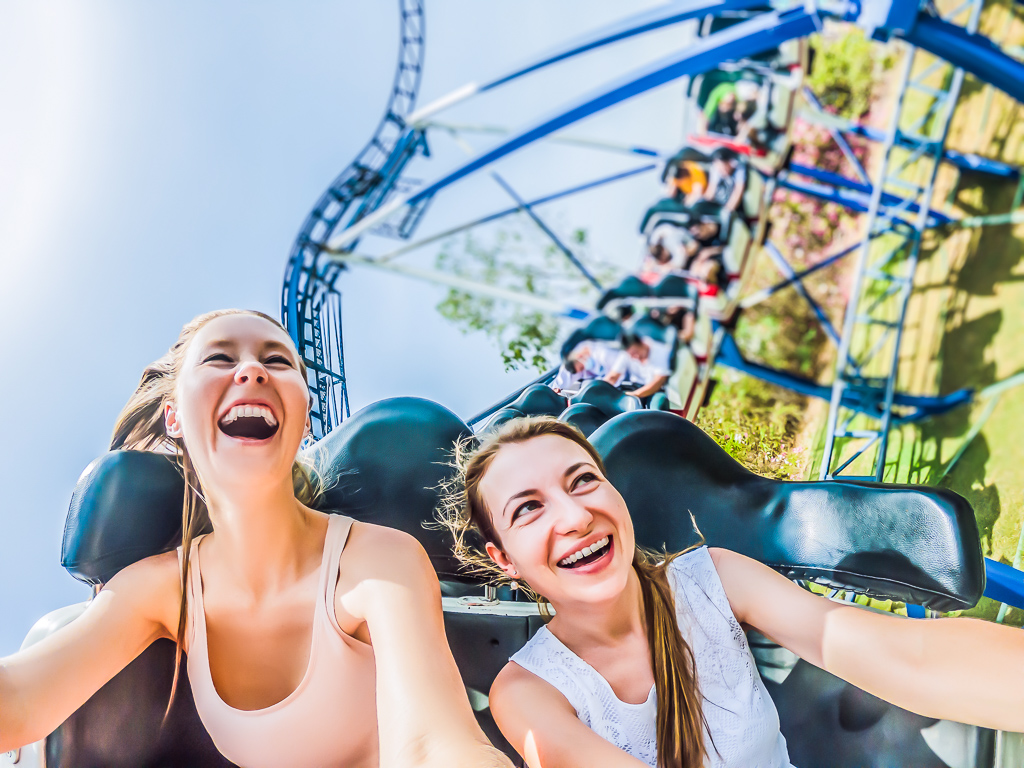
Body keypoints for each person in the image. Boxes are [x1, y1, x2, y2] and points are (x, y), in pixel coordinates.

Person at [0, 309, 512, 768]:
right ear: (174, 416)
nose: (252, 370)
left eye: (278, 361)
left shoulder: (378, 560)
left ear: (305, 417)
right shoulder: (160, 588)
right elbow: (20, 699)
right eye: (220, 358)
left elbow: (433, 743)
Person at [439, 417, 1024, 768]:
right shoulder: (526, 693)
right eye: (529, 509)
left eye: (583, 480)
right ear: (503, 560)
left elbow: (898, 654)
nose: (573, 516)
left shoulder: (713, 577)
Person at [605, 331, 673, 399]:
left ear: (642, 343)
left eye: (636, 352)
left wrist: (635, 394)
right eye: (631, 355)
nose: (635, 357)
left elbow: (658, 381)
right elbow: (613, 376)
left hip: (654, 391)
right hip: (634, 387)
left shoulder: (660, 351)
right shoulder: (625, 353)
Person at [551, 340, 624, 394]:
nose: (583, 370)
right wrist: (557, 387)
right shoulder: (578, 361)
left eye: (582, 368)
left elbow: (614, 376)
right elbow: (567, 371)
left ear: (579, 356)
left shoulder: (604, 353)